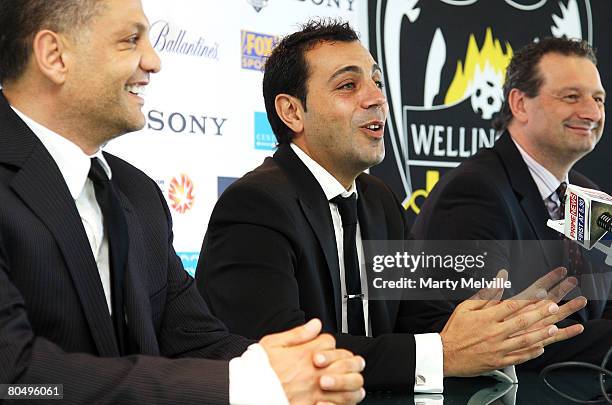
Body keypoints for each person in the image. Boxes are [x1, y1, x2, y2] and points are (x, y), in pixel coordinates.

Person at [0, 1, 367, 404]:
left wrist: (307, 372)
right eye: (130, 41)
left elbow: (193, 339)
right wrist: (249, 386)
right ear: (55, 56)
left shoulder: (137, 193)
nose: (154, 61)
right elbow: (15, 378)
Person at [195, 20, 588, 392]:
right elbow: (277, 353)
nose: (377, 98)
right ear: (292, 111)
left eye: (378, 82)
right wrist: (442, 354)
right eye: (348, 85)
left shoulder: (378, 200)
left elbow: (420, 318)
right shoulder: (255, 205)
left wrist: (501, 328)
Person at [412, 37, 612, 366]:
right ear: (519, 104)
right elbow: (493, 337)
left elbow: (603, 305)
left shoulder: (591, 197)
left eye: (599, 99)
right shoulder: (475, 192)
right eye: (571, 97)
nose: (591, 112)